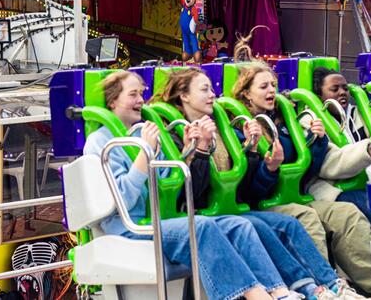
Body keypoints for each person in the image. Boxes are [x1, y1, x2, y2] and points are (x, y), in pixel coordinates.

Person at [154, 68, 369, 299]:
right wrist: (201, 152)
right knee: (261, 224)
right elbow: (192, 193)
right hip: (206, 213)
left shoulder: (227, 128)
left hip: (237, 207)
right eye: (205, 90)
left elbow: (245, 187)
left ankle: (327, 286)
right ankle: (297, 291)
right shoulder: (177, 134)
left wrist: (255, 152)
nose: (213, 94)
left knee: (289, 224)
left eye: (273, 85)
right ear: (184, 96)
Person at [84, 71, 296, 300]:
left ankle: (279, 292)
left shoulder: (145, 134)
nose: (140, 100)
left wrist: (188, 154)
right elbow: (122, 201)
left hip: (162, 219)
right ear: (112, 101)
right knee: (202, 227)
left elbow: (173, 189)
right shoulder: (101, 142)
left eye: (141, 94)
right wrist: (144, 157)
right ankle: (258, 296)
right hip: (130, 226)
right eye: (133, 94)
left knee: (238, 225)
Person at [231, 63, 371, 295]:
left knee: (346, 213)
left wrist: (317, 142)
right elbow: (248, 191)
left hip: (294, 197)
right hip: (263, 204)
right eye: (263, 86)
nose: (271, 90)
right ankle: (324, 289)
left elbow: (307, 171)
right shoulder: (239, 128)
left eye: (273, 85)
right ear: (247, 93)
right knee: (306, 218)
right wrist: (268, 168)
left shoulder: (283, 120)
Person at [310, 67, 371, 237]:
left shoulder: (359, 114)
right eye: (334, 89)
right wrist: (366, 151)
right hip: (334, 187)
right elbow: (328, 165)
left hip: (367, 181)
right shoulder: (312, 122)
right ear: (319, 96)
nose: (342, 92)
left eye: (345, 88)